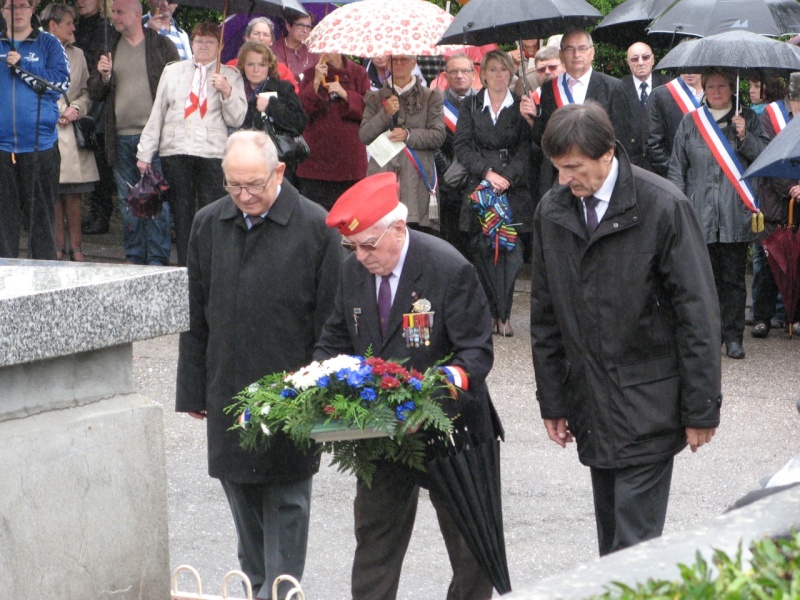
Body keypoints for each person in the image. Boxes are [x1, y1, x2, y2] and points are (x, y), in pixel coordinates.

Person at [530, 102, 722, 556]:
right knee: (612, 546)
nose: (564, 180)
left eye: (573, 167)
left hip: (648, 405)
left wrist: (701, 408)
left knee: (632, 549)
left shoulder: (663, 206)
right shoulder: (553, 211)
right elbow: (545, 315)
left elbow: (698, 314)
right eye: (558, 169)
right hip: (592, 407)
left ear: (607, 153)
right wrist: (553, 401)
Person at [315, 171, 504, 600]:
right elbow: (335, 340)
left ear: (398, 229)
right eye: (352, 246)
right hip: (383, 432)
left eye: (368, 245)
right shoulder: (352, 271)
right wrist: (317, 384)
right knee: (375, 543)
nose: (361, 256)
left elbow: (475, 355)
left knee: (472, 551)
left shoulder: (448, 268)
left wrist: (427, 403)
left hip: (454, 429)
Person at [176, 130, 343, 600]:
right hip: (227, 384)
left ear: (280, 173)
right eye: (234, 185)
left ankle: (282, 591)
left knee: (287, 497)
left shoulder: (316, 226)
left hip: (292, 390)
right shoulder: (209, 223)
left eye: (254, 185)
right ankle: (254, 586)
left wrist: (319, 391)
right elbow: (196, 314)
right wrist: (193, 390)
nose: (244, 196)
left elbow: (331, 323)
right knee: (241, 494)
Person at [668, 67, 768, 359]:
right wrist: (678, 207)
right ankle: (709, 337)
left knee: (734, 280)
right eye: (710, 86)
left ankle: (734, 337)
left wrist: (745, 136)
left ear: (731, 88)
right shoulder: (690, 121)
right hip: (699, 214)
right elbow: (677, 167)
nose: (716, 91)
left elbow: (764, 156)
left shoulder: (748, 118)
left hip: (734, 213)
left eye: (722, 86)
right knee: (703, 281)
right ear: (704, 88)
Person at [136, 22, 247, 267]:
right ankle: (186, 266)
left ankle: (209, 264)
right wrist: (145, 152)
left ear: (221, 46)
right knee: (181, 211)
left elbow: (237, 118)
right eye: (199, 41)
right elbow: (158, 113)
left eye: (210, 42)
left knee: (211, 211)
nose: (203, 46)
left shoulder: (230, 75)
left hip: (211, 152)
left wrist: (227, 92)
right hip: (175, 150)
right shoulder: (173, 71)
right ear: (191, 44)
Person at [88, 0, 179, 266]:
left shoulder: (162, 46)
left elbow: (178, 88)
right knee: (130, 203)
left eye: (119, 12)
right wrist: (103, 76)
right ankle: (135, 256)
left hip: (155, 139)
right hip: (120, 137)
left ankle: (158, 259)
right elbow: (95, 93)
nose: (114, 16)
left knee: (157, 200)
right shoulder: (109, 47)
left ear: (137, 15)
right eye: (113, 12)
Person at [454, 49, 532, 337]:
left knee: (510, 252)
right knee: (483, 250)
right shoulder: (472, 104)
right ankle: (488, 312)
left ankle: (505, 314)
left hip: (513, 186)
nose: (499, 75)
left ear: (511, 73)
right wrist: (488, 174)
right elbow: (461, 145)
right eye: (493, 69)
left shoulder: (522, 105)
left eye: (504, 69)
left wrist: (507, 178)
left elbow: (526, 148)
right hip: (481, 185)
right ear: (482, 74)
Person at [0, 0, 70, 260]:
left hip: (40, 147)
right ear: (2, 11)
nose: (17, 12)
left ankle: (45, 284)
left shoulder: (48, 43)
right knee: (3, 223)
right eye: (10, 6)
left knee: (41, 221)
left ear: (32, 9)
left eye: (22, 6)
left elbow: (61, 84)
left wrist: (23, 67)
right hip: (2, 148)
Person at [360, 55, 445, 234]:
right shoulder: (375, 98)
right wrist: (385, 114)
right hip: (383, 175)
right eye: (395, 60)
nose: (399, 64)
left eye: (404, 60)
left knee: (416, 237)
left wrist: (409, 135)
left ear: (414, 62)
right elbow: (364, 135)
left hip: (417, 179)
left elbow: (438, 136)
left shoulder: (430, 96)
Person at [530, 30, 619, 198]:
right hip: (559, 179)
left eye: (582, 48)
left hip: (598, 177)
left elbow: (619, 137)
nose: (576, 54)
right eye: (570, 49)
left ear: (592, 53)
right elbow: (542, 135)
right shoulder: (549, 89)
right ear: (562, 55)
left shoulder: (613, 87)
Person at [42, 2, 99, 261]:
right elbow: (34, 86)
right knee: (52, 193)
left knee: (73, 194)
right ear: (52, 25)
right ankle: (56, 247)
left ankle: (76, 247)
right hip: (47, 131)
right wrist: (59, 109)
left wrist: (75, 107)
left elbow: (87, 91)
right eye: (68, 23)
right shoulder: (37, 52)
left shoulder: (78, 55)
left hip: (71, 134)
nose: (74, 27)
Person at [295, 51, 370, 210]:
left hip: (350, 163)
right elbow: (300, 113)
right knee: (316, 218)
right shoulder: (310, 73)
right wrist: (315, 82)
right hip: (316, 164)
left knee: (350, 217)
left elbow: (369, 111)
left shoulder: (358, 73)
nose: (326, 51)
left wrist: (345, 94)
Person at [752, 75, 796, 338]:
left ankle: (794, 316)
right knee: (768, 261)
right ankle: (762, 317)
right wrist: (791, 188)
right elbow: (768, 156)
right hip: (773, 199)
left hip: (799, 199)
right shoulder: (771, 114)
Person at [74, 0, 117, 236]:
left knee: (100, 160)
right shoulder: (76, 26)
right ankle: (90, 213)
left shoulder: (106, 29)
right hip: (78, 96)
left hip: (98, 102)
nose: (82, 1)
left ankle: (101, 214)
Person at [236, 41, 307, 184]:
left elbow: (300, 122)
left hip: (276, 164)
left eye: (261, 65)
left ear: (269, 66)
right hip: (243, 162)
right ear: (243, 66)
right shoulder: (235, 89)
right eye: (250, 64)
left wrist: (271, 106)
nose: (256, 69)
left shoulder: (283, 88)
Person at [433, 52, 477, 259]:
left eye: (465, 70)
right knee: (450, 242)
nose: (459, 75)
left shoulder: (483, 101)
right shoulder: (435, 103)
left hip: (476, 180)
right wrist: (447, 169)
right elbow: (432, 142)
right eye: (454, 71)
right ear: (445, 75)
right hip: (446, 182)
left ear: (473, 73)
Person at [609, 42, 669, 171]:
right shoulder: (618, 88)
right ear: (628, 63)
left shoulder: (668, 85)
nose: (640, 62)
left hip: (663, 165)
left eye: (645, 57)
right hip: (632, 166)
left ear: (653, 59)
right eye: (635, 59)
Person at [645, 71, 703, 177]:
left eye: (695, 67)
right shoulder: (660, 96)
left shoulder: (719, 95)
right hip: (676, 180)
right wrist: (676, 174)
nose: (689, 72)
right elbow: (654, 144)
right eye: (685, 66)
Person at [224, 17, 298, 93]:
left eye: (266, 35)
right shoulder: (232, 66)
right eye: (256, 33)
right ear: (247, 38)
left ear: (271, 41)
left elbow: (293, 99)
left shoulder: (282, 70)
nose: (261, 38)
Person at [273, 13, 319, 83]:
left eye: (308, 27)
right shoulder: (274, 50)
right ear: (288, 26)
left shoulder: (312, 52)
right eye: (300, 26)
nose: (305, 30)